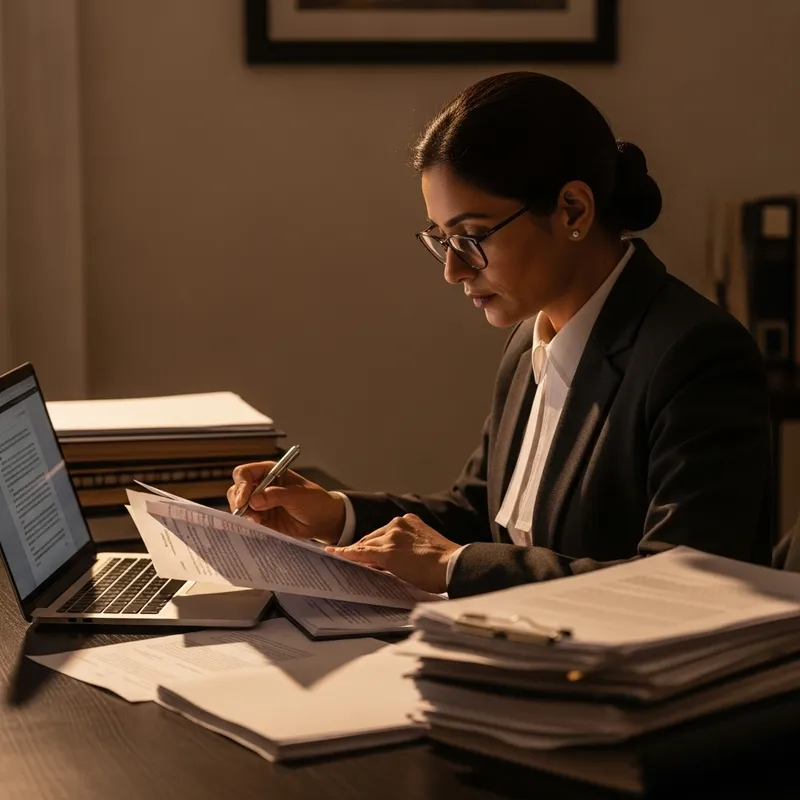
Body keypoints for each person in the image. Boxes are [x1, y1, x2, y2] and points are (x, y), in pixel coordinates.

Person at [228, 72, 772, 598]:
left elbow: (681, 587)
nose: (453, 270)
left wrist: (454, 566)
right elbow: (483, 513)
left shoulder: (695, 355)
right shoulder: (530, 340)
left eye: (471, 236)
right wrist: (338, 514)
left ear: (572, 210)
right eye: (440, 239)